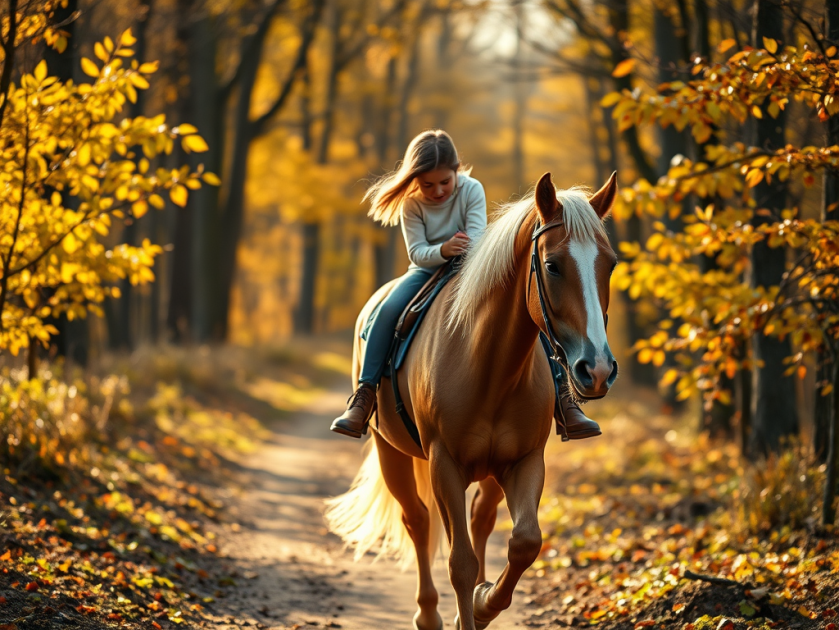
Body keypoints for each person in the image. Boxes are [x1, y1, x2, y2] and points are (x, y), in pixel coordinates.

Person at [330, 129, 601, 440]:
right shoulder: (411, 204)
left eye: (445, 181)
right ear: (414, 180)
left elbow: (477, 238)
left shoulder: (471, 189)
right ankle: (364, 396)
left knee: (528, 313)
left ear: (456, 171)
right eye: (427, 184)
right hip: (425, 270)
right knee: (388, 310)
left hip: (471, 270)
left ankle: (565, 402)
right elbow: (417, 252)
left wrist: (464, 248)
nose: (438, 191)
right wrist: (443, 250)